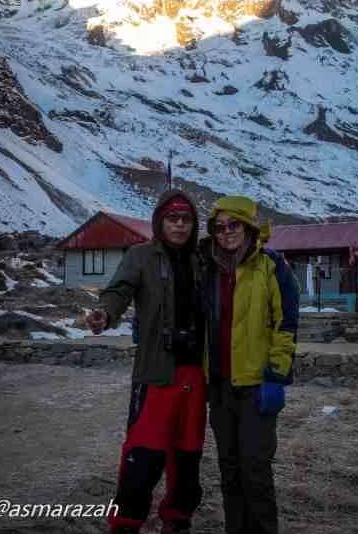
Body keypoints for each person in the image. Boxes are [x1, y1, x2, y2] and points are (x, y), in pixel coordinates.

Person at [86, 190, 206, 534]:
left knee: (187, 455)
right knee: (144, 454)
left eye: (186, 219)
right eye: (173, 218)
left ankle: (178, 519)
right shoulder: (140, 256)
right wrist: (104, 314)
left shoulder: (201, 260)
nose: (180, 225)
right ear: (160, 222)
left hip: (196, 373)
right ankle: (126, 523)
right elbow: (118, 291)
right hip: (156, 373)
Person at [197, 196, 299, 534]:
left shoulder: (272, 266)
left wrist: (276, 375)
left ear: (249, 227)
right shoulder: (208, 268)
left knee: (255, 470)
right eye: (219, 226)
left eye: (234, 225)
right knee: (229, 471)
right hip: (220, 387)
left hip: (256, 386)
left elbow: (286, 325)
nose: (226, 232)